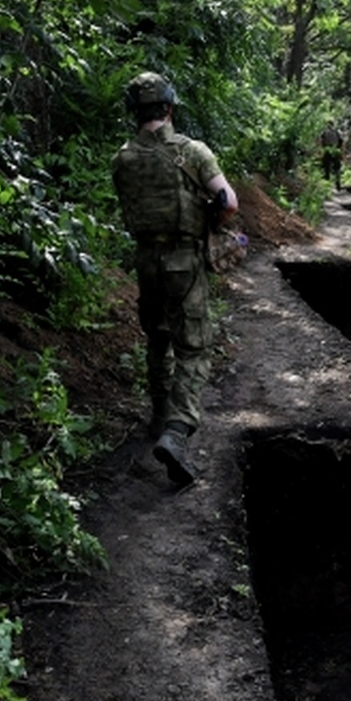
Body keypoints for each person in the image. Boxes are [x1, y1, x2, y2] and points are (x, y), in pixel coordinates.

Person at [112, 71, 239, 486]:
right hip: (183, 259)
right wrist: (212, 221)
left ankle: (158, 416)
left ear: (135, 112)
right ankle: (177, 431)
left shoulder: (123, 158)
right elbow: (229, 202)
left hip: (146, 260)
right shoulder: (193, 151)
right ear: (168, 108)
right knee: (194, 347)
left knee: (158, 337)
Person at [318, 121, 343, 189]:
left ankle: (327, 184)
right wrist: (340, 151)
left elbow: (321, 141)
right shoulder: (337, 132)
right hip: (336, 150)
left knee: (326, 168)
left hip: (327, 151)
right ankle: (338, 182)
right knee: (337, 168)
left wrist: (321, 151)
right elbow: (341, 141)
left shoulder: (324, 132)